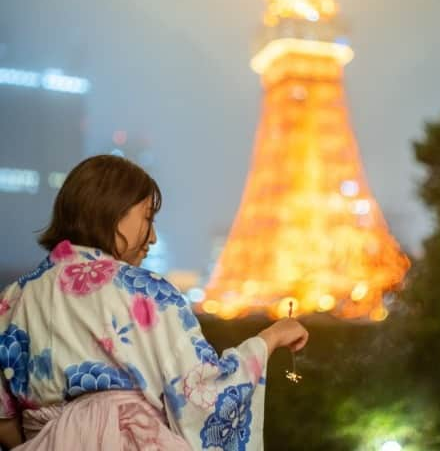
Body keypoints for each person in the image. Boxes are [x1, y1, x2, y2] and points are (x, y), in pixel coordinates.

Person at [0, 155, 309, 450]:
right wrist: (270, 338)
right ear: (111, 211)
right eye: (147, 217)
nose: (153, 237)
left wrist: (50, 441)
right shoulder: (148, 292)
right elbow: (203, 394)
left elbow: (3, 417)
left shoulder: (14, 298)